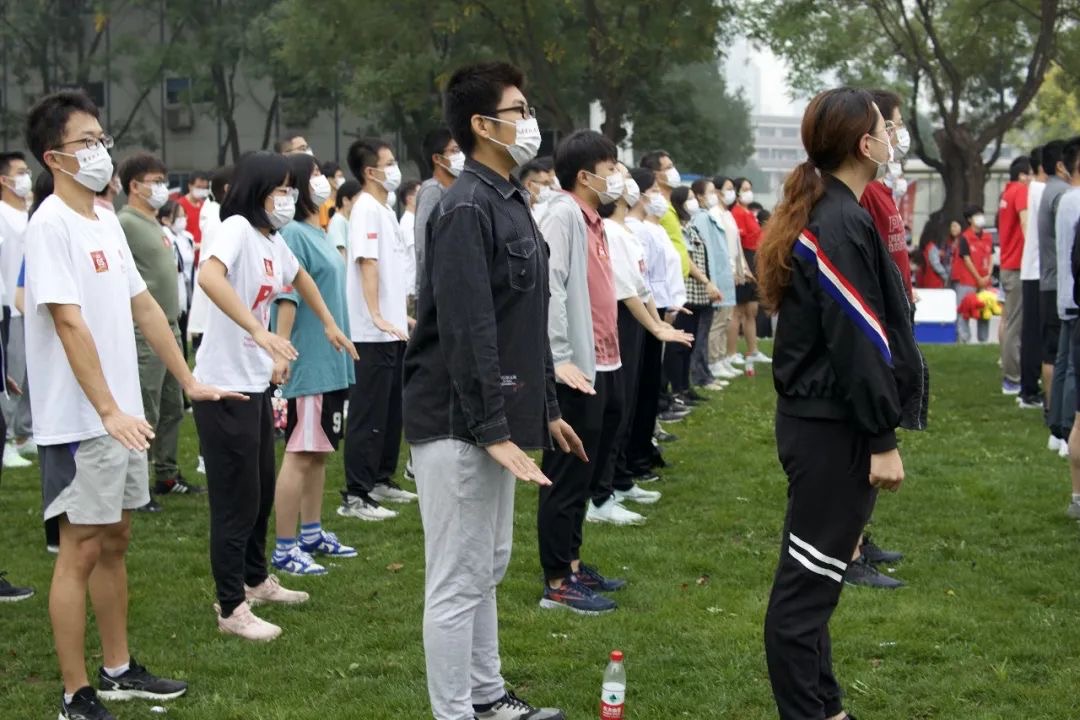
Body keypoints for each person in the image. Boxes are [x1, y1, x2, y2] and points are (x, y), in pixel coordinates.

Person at [24, 89, 244, 719]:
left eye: (102, 139)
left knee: (115, 538)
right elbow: (68, 323)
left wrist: (189, 380)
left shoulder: (102, 220)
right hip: (83, 421)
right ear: (54, 157)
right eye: (86, 142)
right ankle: (75, 695)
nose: (100, 151)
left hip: (121, 417)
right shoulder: (50, 224)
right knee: (80, 549)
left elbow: (144, 305)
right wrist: (107, 410)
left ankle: (118, 669)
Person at [404, 60, 581, 720]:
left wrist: (546, 408)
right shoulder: (464, 207)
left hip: (495, 419)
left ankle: (487, 696)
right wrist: (493, 430)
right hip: (458, 422)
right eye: (519, 110)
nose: (530, 121)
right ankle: (456, 712)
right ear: (482, 125)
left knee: (488, 564)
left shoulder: (509, 200)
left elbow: (523, 321)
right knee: (457, 576)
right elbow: (467, 328)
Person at [757, 87, 926, 720]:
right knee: (805, 592)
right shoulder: (838, 221)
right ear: (864, 144)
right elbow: (857, 342)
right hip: (831, 430)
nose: (892, 138)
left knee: (820, 577)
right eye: (886, 128)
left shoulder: (837, 210)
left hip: (827, 423)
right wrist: (882, 439)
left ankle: (825, 708)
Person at [193, 150, 355, 641]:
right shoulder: (236, 229)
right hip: (223, 388)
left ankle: (256, 579)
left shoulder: (270, 239)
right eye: (281, 189)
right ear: (256, 190)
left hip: (254, 385)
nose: (288, 198)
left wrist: (328, 323)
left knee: (260, 490)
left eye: (291, 189)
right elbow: (209, 276)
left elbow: (299, 277)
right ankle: (231, 606)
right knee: (235, 502)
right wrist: (257, 330)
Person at [268, 153, 357, 577]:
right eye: (317, 174)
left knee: (318, 452)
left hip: (331, 361)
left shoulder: (316, 230)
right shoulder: (291, 234)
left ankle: (311, 532)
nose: (324, 181)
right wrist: (282, 352)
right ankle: (285, 548)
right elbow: (287, 296)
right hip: (309, 361)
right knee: (300, 454)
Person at [598, 162, 691, 516]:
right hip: (623, 319)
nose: (626, 182)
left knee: (631, 402)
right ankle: (603, 489)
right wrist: (654, 326)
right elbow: (626, 291)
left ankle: (620, 478)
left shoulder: (627, 231)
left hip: (638, 320)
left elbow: (642, 286)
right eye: (618, 174)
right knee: (618, 405)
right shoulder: (610, 229)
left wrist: (657, 324)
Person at [117, 153, 202, 510]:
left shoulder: (154, 224)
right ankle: (134, 488)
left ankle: (166, 474)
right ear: (134, 186)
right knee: (145, 408)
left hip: (170, 325)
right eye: (155, 181)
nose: (162, 188)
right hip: (145, 330)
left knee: (171, 407)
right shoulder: (125, 222)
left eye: (163, 181)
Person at [339, 137, 415, 521]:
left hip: (391, 329)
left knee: (389, 411)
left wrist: (400, 316)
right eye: (389, 163)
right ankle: (356, 494)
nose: (395, 168)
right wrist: (375, 314)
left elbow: (390, 270)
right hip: (371, 333)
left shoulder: (384, 209)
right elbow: (367, 263)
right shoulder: (366, 209)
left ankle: (381, 478)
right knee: (368, 412)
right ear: (370, 172)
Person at [669, 186, 722, 394]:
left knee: (689, 344)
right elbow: (687, 261)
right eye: (689, 198)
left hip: (698, 295)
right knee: (679, 346)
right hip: (687, 294)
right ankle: (678, 389)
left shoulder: (691, 227)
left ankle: (685, 387)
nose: (694, 202)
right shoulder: (678, 229)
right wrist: (706, 281)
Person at [0, 151, 34, 468]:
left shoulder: (31, 215)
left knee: (29, 375)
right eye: (20, 172)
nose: (26, 178)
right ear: (4, 180)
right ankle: (7, 439)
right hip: (9, 307)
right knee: (10, 374)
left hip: (32, 306)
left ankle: (24, 433)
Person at [1038, 139, 1071, 453]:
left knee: (1059, 358)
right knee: (1062, 359)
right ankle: (1061, 424)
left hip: (1053, 284)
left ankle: (1056, 423)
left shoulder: (1053, 190)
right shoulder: (1063, 195)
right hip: (1061, 286)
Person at [1051, 138, 1080, 479]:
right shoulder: (1075, 200)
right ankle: (1067, 427)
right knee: (1072, 369)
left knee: (1064, 364)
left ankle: (1058, 428)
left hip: (1065, 292)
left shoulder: (1063, 198)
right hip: (1074, 295)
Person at [998, 155, 1033, 395]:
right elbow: (1025, 223)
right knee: (1015, 325)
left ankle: (1012, 375)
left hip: (1007, 265)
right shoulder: (1020, 191)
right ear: (1022, 175)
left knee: (1010, 321)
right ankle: (1012, 378)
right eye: (1030, 174)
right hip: (1017, 266)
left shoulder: (1007, 192)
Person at [709, 176, 751, 379]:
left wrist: (742, 268)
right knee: (719, 320)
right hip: (721, 272)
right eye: (727, 188)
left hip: (732, 270)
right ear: (717, 192)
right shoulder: (714, 214)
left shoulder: (727, 214)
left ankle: (722, 357)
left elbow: (736, 245)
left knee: (726, 318)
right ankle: (713, 360)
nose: (731, 192)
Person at [413, 128, 463, 293]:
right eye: (455, 151)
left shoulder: (455, 191)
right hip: (437, 289)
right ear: (437, 158)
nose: (461, 156)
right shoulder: (433, 190)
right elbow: (423, 242)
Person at [728, 176, 771, 365]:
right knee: (737, 311)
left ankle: (753, 350)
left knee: (751, 310)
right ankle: (731, 352)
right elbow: (738, 243)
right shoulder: (737, 213)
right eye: (745, 189)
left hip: (754, 260)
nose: (749, 192)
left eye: (750, 188)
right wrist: (744, 267)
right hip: (744, 260)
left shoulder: (749, 213)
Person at [1019, 147, 1048, 409]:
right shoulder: (1040, 190)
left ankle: (1029, 387)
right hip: (1038, 270)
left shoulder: (1035, 189)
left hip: (1034, 269)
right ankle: (1029, 389)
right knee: (1034, 334)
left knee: (1032, 332)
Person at [951, 204, 994, 343]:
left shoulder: (988, 237)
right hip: (967, 280)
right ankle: (964, 339)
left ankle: (983, 340)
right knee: (964, 310)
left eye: (981, 214)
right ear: (969, 219)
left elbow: (991, 256)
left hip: (985, 281)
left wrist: (988, 275)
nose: (980, 218)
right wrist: (978, 278)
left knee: (984, 310)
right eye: (977, 215)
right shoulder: (965, 237)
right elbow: (966, 259)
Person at [158, 201, 195, 360]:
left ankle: (184, 362)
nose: (183, 219)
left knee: (183, 327)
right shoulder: (165, 236)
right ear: (166, 220)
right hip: (172, 289)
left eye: (183, 215)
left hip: (185, 287)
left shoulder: (185, 237)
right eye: (178, 216)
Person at [177, 170, 209, 261]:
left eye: (204, 188)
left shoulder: (206, 206)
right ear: (190, 186)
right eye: (198, 187)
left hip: (203, 255)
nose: (201, 190)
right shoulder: (179, 205)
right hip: (187, 255)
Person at [916, 220, 958, 289]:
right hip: (934, 281)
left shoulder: (928, 246)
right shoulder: (931, 247)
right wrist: (946, 276)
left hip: (928, 279)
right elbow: (936, 264)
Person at [399, 178, 421, 306]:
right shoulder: (409, 223)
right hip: (413, 289)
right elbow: (416, 255)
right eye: (420, 193)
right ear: (409, 199)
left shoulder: (413, 220)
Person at [327, 179, 361, 258]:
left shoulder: (349, 220)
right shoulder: (337, 221)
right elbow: (340, 255)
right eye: (359, 197)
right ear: (345, 200)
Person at [317, 160, 345, 229]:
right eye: (339, 176)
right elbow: (323, 229)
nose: (342, 179)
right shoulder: (323, 204)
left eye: (342, 176)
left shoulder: (345, 201)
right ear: (329, 179)